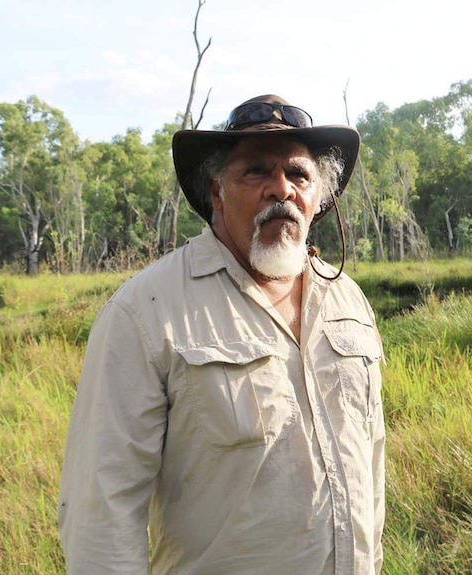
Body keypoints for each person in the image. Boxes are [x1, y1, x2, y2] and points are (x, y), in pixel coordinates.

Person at [58, 94, 385, 575]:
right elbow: (101, 509)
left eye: (299, 174)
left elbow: (371, 460)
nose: (281, 190)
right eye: (256, 171)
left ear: (320, 196)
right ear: (216, 191)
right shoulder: (146, 310)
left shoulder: (348, 301)